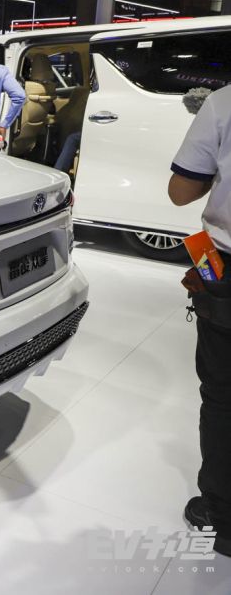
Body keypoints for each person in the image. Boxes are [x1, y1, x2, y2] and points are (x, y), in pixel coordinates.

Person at [169, 84, 231, 558]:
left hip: (225, 267)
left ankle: (224, 518)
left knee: (224, 395)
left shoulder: (224, 102)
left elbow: (181, 192)